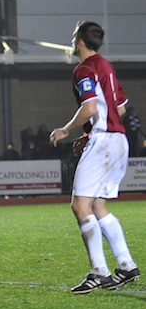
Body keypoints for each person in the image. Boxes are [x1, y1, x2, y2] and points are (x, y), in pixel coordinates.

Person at [48, 21, 139, 294]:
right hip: (119, 141)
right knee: (98, 206)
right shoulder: (106, 67)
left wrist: (66, 129)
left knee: (80, 206)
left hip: (104, 142)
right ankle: (126, 265)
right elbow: (120, 109)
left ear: (79, 41)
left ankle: (99, 272)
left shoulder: (84, 69)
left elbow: (89, 107)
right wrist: (91, 133)